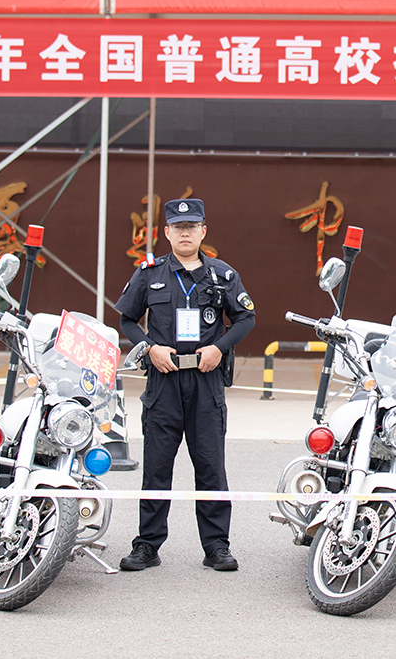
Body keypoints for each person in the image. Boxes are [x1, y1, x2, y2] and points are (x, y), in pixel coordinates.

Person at [115, 198, 255, 573]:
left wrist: (220, 349)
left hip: (206, 381)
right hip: (164, 380)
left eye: (192, 226)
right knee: (157, 467)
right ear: (167, 233)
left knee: (210, 466)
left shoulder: (222, 275)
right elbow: (127, 319)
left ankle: (216, 547)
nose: (185, 232)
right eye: (178, 227)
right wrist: (149, 347)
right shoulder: (149, 273)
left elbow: (245, 318)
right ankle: (147, 545)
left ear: (203, 231)